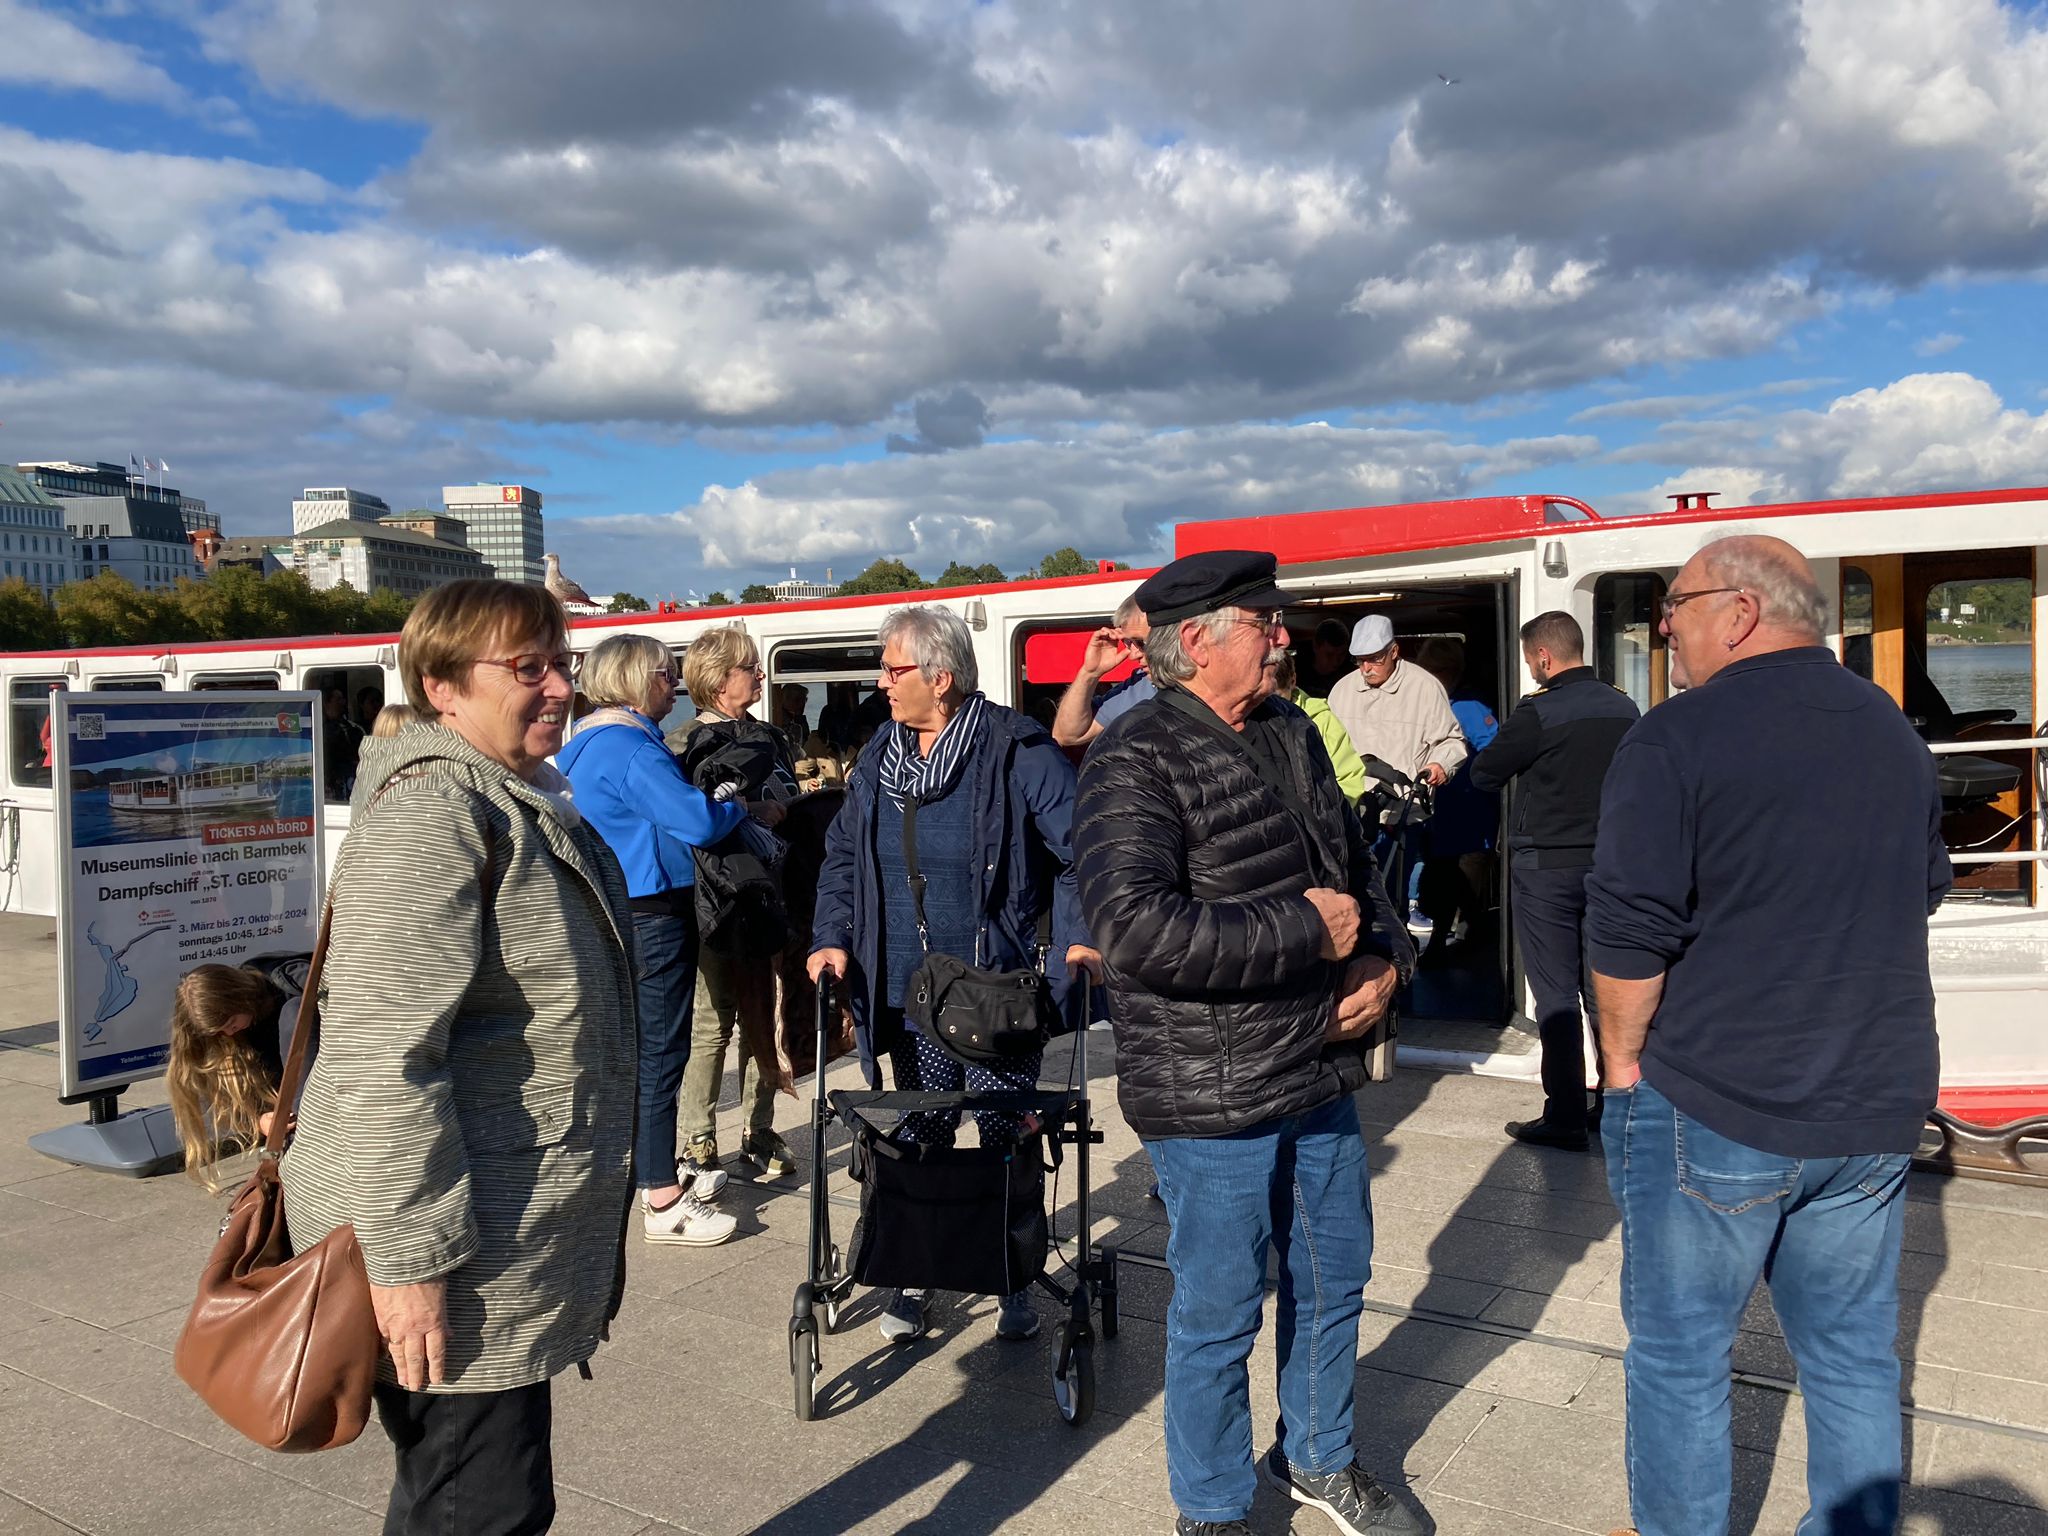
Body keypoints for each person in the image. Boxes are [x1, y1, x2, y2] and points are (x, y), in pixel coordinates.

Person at [1585, 536, 1950, 1536]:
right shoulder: (1891, 731)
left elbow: (1627, 936)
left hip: (1717, 1095)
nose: (1664, 630)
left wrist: (1622, 1065)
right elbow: (1921, 889)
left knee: (1679, 1354)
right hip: (1873, 1100)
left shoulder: (1674, 736)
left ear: (1739, 611)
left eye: (1672, 608)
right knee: (1851, 1355)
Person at [1074, 550, 1424, 1536]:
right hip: (1209, 1092)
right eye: (1261, 624)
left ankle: (1315, 1458)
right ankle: (1213, 1507)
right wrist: (1307, 932)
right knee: (1220, 1309)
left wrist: (1386, 960)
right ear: (1195, 641)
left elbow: (1355, 867)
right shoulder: (1131, 758)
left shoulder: (1291, 731)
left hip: (1315, 1071)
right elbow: (1135, 931)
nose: (1280, 638)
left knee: (1334, 1276)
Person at [280, 579, 641, 1535]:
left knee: (487, 1492)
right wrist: (409, 1265)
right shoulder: (434, 816)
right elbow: (384, 1059)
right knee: (477, 1507)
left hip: (498, 1234)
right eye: (528, 667)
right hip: (456, 1248)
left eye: (562, 662)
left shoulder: (510, 797)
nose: (559, 686)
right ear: (441, 686)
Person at [807, 603, 1091, 1347]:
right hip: (905, 988)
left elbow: (1083, 852)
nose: (880, 682)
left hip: (992, 992)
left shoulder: (1015, 750)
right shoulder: (881, 755)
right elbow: (844, 857)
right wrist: (830, 938)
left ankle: (1010, 1271)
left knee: (1001, 1128)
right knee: (925, 1126)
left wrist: (1075, 945)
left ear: (940, 677)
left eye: (891, 669)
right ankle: (914, 1269)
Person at [555, 632, 747, 1246]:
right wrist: (739, 808)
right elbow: (696, 819)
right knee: (662, 1051)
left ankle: (652, 1164)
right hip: (655, 911)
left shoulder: (583, 742)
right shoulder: (633, 746)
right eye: (666, 674)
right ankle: (662, 1197)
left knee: (639, 1048)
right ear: (637, 680)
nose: (676, 685)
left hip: (616, 906)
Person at [1468, 613, 1638, 1148]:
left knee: (1556, 994)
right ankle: (1617, 1107)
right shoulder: (1624, 706)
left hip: (1546, 870)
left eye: (1529, 660)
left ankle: (1565, 1116)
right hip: (1609, 865)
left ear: (1543, 657)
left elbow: (1485, 773)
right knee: (1604, 989)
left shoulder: (1538, 711)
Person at [664, 626, 801, 1185]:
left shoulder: (770, 736)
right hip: (714, 900)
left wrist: (784, 809)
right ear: (720, 678)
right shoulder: (681, 743)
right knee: (713, 1020)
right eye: (750, 666)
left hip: (769, 894)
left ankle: (758, 1130)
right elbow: (682, 821)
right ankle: (698, 1139)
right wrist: (747, 810)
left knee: (763, 1019)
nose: (761, 674)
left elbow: (789, 793)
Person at [1326, 613, 1467, 913]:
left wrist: (1441, 764)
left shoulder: (1425, 687)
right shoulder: (1341, 690)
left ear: (1394, 651)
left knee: (1392, 896)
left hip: (1403, 811)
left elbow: (1452, 741)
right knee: (1353, 895)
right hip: (1352, 811)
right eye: (1359, 660)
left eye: (1374, 659)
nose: (1366, 668)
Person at [165, 956, 311, 1191]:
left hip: (317, 1080)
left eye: (231, 1022)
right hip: (281, 1104)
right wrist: (259, 1120)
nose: (230, 1032)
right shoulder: (226, 1034)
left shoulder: (288, 984)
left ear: (241, 997)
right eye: (220, 1031)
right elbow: (213, 1091)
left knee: (293, 1013)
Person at [1411, 637, 1501, 966]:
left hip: (1471, 817)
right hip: (1440, 818)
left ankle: (1461, 948)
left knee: (1465, 889)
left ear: (1448, 672)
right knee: (1442, 884)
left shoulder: (1468, 708)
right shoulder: (1433, 705)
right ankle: (1440, 944)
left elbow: (1494, 753)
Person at [1052, 593, 1152, 748]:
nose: (1133, 655)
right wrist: (1090, 673)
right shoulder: (1143, 683)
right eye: (1127, 642)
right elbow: (1066, 735)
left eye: (1140, 642)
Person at [1273, 651, 1368, 804]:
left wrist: (1335, 814)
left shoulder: (1321, 720)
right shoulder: (1249, 717)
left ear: (1293, 681)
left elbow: (1349, 777)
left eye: (1277, 697)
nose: (1271, 704)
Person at [319, 684, 365, 801]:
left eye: (343, 699)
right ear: (326, 703)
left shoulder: (354, 728)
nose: (342, 703)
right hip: (330, 779)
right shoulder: (319, 729)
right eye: (338, 699)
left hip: (352, 777)